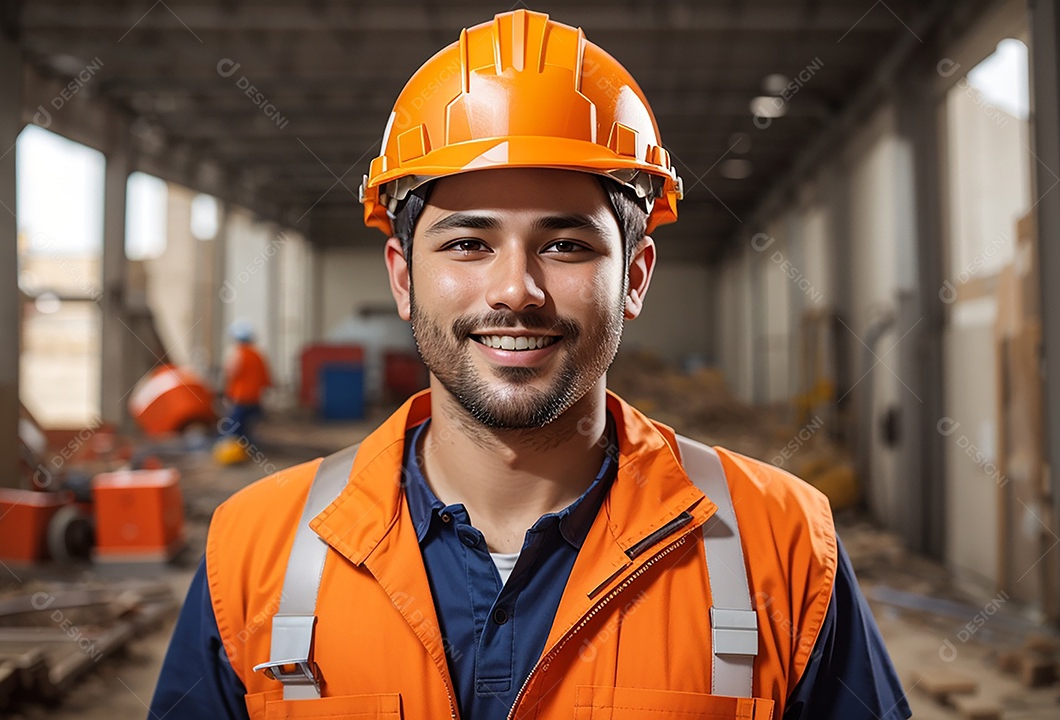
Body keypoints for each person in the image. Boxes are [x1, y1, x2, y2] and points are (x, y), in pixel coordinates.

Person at [152, 10, 911, 720]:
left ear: (636, 277)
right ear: (402, 276)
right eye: (468, 243)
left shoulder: (779, 544)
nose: (515, 290)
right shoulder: (257, 550)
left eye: (566, 244)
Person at [217, 320, 271, 452]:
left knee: (233, 432)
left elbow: (230, 374)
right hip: (255, 400)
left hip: (240, 400)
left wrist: (225, 393)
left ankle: (233, 453)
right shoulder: (258, 355)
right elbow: (266, 380)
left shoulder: (237, 354)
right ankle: (249, 451)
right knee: (248, 430)